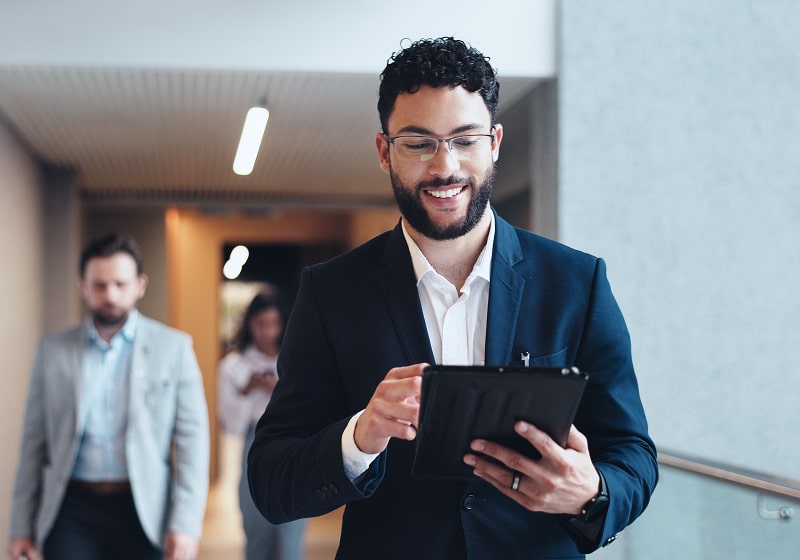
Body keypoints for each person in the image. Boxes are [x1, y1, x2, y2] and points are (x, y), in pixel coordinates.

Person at [247, 37, 658, 560]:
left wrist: (591, 493)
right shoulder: (331, 293)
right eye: (419, 143)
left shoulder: (578, 282)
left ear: (495, 143)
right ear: (383, 151)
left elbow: (634, 454)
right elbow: (270, 479)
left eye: (465, 139)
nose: (445, 167)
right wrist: (360, 436)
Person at [7, 233, 210, 560]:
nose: (110, 295)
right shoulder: (52, 351)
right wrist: (21, 527)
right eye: (100, 285)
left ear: (140, 285)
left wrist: (186, 524)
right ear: (83, 286)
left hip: (144, 508)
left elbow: (192, 441)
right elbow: (33, 441)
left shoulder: (174, 349)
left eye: (120, 283)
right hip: (71, 508)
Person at [217, 293, 307, 560]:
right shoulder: (233, 367)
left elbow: (311, 410)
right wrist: (249, 390)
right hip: (252, 442)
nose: (267, 331)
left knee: (291, 531)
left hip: (294, 443)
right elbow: (231, 427)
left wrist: (279, 390)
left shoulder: (298, 361)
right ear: (249, 324)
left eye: (274, 323)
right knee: (254, 526)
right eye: (260, 323)